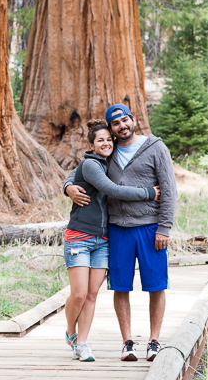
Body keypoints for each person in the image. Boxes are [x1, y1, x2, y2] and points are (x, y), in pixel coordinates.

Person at [64, 104, 177, 362]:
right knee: (121, 287)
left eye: (124, 120)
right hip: (117, 230)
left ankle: (154, 340)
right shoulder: (108, 152)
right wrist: (68, 186)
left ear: (133, 120)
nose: (121, 126)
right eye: (115, 124)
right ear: (111, 130)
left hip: (150, 229)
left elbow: (169, 189)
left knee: (156, 286)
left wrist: (164, 227)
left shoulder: (155, 147)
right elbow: (79, 170)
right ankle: (127, 342)